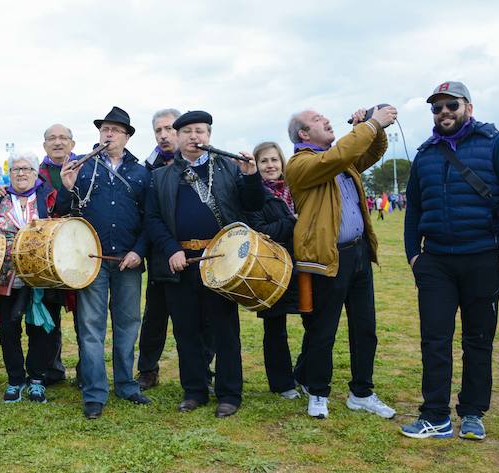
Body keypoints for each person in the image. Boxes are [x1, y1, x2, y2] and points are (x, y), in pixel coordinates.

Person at [400, 81, 499, 440]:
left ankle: (473, 412)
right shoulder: (425, 154)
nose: (444, 112)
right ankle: (435, 416)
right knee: (435, 339)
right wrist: (415, 255)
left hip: (483, 259)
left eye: (451, 105)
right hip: (437, 263)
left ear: (468, 108)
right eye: (437, 107)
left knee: (478, 339)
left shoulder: (494, 145)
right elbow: (413, 209)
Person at [146, 110, 263, 418]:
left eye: (200, 131)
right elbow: (154, 218)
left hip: (220, 260)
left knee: (225, 330)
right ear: (178, 137)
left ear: (209, 135)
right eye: (187, 132)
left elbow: (253, 204)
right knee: (185, 331)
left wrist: (251, 176)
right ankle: (194, 390)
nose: (193, 136)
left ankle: (229, 394)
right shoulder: (161, 176)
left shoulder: (228, 167)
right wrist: (171, 249)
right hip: (181, 262)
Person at [285, 105, 397, 420]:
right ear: (304, 134)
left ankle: (362, 393)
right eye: (317, 119)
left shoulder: (341, 158)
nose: (326, 120)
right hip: (327, 257)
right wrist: (372, 124)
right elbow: (336, 157)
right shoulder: (300, 164)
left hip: (358, 253)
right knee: (323, 330)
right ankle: (318, 391)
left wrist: (369, 127)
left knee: (366, 328)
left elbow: (369, 152)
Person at [55, 106, 152, 419]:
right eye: (104, 129)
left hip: (128, 260)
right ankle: (95, 392)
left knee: (127, 326)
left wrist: (139, 250)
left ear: (126, 136)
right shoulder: (82, 168)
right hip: (92, 262)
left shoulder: (140, 172)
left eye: (115, 130)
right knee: (91, 328)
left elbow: (150, 218)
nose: (108, 135)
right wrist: (66, 189)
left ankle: (126, 384)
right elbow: (64, 214)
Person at [0, 151, 59, 403]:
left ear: (36, 173)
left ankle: (37, 378)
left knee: (41, 329)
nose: (21, 173)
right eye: (16, 169)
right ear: (10, 173)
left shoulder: (49, 197)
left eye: (26, 169)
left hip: (41, 274)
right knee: (8, 329)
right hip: (7, 276)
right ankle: (15, 379)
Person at [248, 141, 302, 400]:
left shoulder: (296, 190)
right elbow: (260, 232)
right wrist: (291, 222)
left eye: (274, 160)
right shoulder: (254, 195)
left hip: (303, 264)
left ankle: (305, 373)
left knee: (314, 322)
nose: (270, 166)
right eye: (264, 161)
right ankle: (282, 383)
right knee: (275, 328)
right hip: (273, 268)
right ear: (256, 166)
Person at [136, 108, 181, 390]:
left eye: (169, 129)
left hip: (194, 249)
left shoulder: (199, 162)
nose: (164, 135)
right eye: (158, 130)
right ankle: (147, 369)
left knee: (200, 316)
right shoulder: (148, 167)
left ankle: (203, 368)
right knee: (155, 314)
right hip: (159, 252)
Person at [37, 124, 77, 386]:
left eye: (63, 138)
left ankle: (87, 370)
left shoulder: (84, 168)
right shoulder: (36, 175)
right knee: (48, 313)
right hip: (45, 254)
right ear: (45, 145)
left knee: (84, 314)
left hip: (77, 249)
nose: (58, 142)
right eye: (52, 138)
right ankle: (52, 368)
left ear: (72, 144)